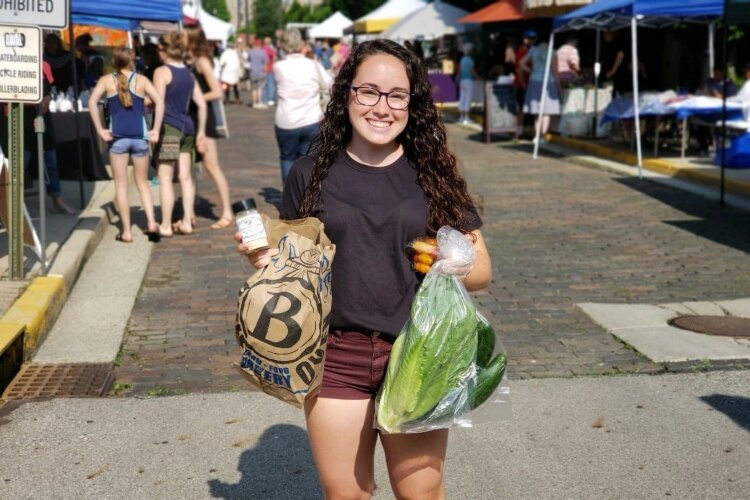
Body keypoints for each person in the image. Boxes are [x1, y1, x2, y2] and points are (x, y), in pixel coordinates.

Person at [236, 38, 492, 500]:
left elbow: (483, 273)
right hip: (335, 356)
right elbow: (298, 268)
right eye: (368, 91)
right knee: (347, 495)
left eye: (397, 95)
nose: (382, 106)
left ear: (413, 103)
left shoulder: (434, 175)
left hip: (421, 352)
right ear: (346, 94)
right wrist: (263, 259)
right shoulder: (309, 173)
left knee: (421, 494)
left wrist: (451, 262)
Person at [88, 47, 165, 242]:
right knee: (143, 183)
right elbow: (160, 102)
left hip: (118, 139)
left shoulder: (106, 80)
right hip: (140, 138)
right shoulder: (142, 80)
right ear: (132, 61)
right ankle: (151, 223)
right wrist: (155, 129)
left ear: (114, 61)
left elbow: (92, 102)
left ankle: (127, 232)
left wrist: (100, 130)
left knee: (121, 186)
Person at [152, 32, 207, 237]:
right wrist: (201, 132)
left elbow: (159, 103)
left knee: (165, 177)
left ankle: (165, 225)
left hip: (169, 128)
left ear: (165, 50)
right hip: (188, 128)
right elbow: (201, 105)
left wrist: (155, 130)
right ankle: (186, 221)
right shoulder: (188, 73)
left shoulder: (162, 72)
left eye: (158, 49)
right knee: (185, 177)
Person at [184, 26, 234, 229]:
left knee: (211, 166)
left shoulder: (202, 62)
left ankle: (227, 212)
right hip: (190, 118)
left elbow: (217, 92)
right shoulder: (187, 61)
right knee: (189, 168)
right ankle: (189, 213)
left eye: (184, 36)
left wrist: (194, 99)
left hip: (204, 119)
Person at [272, 28, 332, 185]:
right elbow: (330, 84)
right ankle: (306, 198)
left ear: (283, 45)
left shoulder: (278, 67)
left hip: (286, 120)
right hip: (311, 119)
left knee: (287, 159)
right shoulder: (313, 65)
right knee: (307, 161)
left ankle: (290, 198)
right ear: (301, 43)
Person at [520, 33, 561, 141]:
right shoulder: (552, 52)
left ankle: (536, 137)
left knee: (537, 111)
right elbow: (555, 71)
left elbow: (521, 63)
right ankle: (543, 136)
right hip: (548, 82)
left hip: (534, 81)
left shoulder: (533, 50)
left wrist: (531, 71)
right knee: (546, 112)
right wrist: (559, 86)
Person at [514, 30, 534, 136]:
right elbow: (518, 70)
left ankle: (524, 128)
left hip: (529, 83)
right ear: (525, 40)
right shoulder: (521, 52)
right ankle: (519, 129)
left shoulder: (531, 52)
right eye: (531, 39)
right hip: (523, 84)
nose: (532, 42)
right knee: (522, 107)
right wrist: (523, 84)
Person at [457, 43, 479, 125]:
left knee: (462, 98)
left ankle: (461, 117)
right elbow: (473, 72)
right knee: (468, 98)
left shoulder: (462, 59)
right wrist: (479, 77)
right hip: (469, 81)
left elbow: (460, 71)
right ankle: (466, 117)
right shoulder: (470, 60)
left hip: (462, 80)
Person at [248, 39, 268, 108]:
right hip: (261, 72)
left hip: (252, 72)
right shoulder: (263, 53)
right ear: (260, 45)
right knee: (259, 88)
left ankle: (254, 103)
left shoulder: (251, 52)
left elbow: (248, 60)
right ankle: (259, 102)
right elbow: (265, 64)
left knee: (253, 88)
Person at [263, 37, 277, 106]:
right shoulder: (270, 49)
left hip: (263, 70)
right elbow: (274, 57)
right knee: (270, 84)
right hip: (269, 69)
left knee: (264, 85)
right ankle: (270, 99)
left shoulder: (261, 49)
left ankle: (264, 99)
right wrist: (273, 63)